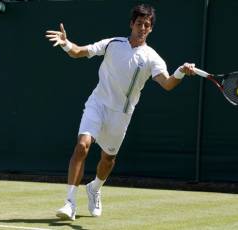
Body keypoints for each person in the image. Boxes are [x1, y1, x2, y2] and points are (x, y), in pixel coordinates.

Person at [45, 3, 196, 220]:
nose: (142, 28)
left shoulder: (152, 58)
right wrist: (66, 43)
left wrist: (181, 71)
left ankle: (95, 188)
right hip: (97, 104)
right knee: (82, 146)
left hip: (121, 114)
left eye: (147, 25)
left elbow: (168, 84)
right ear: (131, 24)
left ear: (151, 29)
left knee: (108, 160)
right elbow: (78, 52)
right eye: (139, 23)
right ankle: (70, 202)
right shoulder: (112, 44)